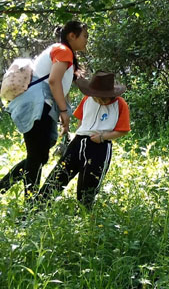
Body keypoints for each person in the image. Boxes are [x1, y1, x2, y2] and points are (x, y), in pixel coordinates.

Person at [0, 20, 88, 200]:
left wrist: (64, 112)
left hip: (40, 106)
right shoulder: (63, 51)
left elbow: (59, 85)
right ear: (72, 35)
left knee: (38, 157)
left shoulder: (62, 51)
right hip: (38, 107)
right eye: (85, 36)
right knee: (36, 158)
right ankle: (28, 204)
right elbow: (54, 81)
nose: (86, 40)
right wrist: (64, 112)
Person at [33, 72, 130, 210]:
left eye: (104, 98)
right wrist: (77, 136)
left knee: (90, 182)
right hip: (78, 142)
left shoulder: (120, 104)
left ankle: (83, 214)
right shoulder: (87, 99)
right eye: (96, 97)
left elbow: (123, 129)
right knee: (59, 174)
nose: (100, 100)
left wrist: (103, 137)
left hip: (100, 145)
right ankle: (38, 207)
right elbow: (81, 119)